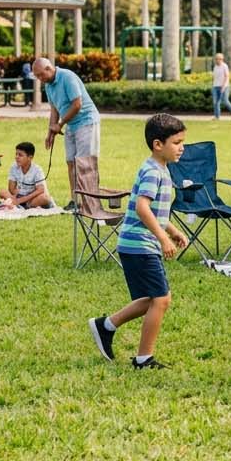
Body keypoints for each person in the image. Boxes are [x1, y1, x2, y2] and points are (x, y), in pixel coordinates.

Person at [88, 114, 190, 370]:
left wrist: (173, 230)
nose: (182, 147)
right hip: (140, 244)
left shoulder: (161, 170)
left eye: (182, 142)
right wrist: (163, 237)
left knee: (150, 298)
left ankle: (106, 325)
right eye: (177, 142)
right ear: (158, 144)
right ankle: (144, 358)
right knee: (162, 299)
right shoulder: (153, 172)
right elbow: (143, 208)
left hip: (138, 244)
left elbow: (156, 212)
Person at [33, 57, 101, 204]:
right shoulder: (48, 85)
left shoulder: (67, 77)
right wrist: (51, 131)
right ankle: (75, 201)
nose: (40, 79)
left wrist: (60, 124)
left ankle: (90, 202)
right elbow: (54, 109)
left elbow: (77, 104)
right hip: (71, 124)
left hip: (86, 121)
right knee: (71, 162)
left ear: (49, 68)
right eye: (37, 76)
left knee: (84, 163)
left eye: (40, 75)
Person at [0, 141, 55, 209]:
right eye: (16, 154)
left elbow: (40, 190)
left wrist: (21, 200)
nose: (16, 157)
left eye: (20, 155)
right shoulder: (14, 167)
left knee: (44, 198)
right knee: (2, 192)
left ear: (30, 157)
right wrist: (15, 196)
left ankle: (23, 206)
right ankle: (18, 205)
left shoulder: (37, 170)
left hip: (32, 199)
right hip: (19, 196)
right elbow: (11, 189)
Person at [211, 53, 231, 121]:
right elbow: (214, 77)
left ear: (222, 59)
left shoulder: (224, 66)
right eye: (216, 59)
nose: (218, 60)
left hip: (224, 86)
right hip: (215, 86)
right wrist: (213, 85)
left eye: (220, 59)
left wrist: (223, 86)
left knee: (225, 101)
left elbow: (226, 76)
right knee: (216, 102)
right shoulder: (215, 67)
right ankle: (217, 116)